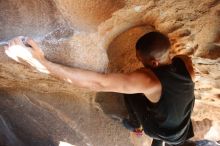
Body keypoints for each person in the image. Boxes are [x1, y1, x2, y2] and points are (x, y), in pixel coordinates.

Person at [4, 31, 195, 146]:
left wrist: (41, 61)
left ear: (153, 63)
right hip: (182, 124)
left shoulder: (148, 81)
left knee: (130, 95)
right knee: (163, 107)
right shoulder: (184, 63)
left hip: (160, 129)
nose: (139, 62)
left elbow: (98, 82)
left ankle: (135, 125)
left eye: (141, 60)